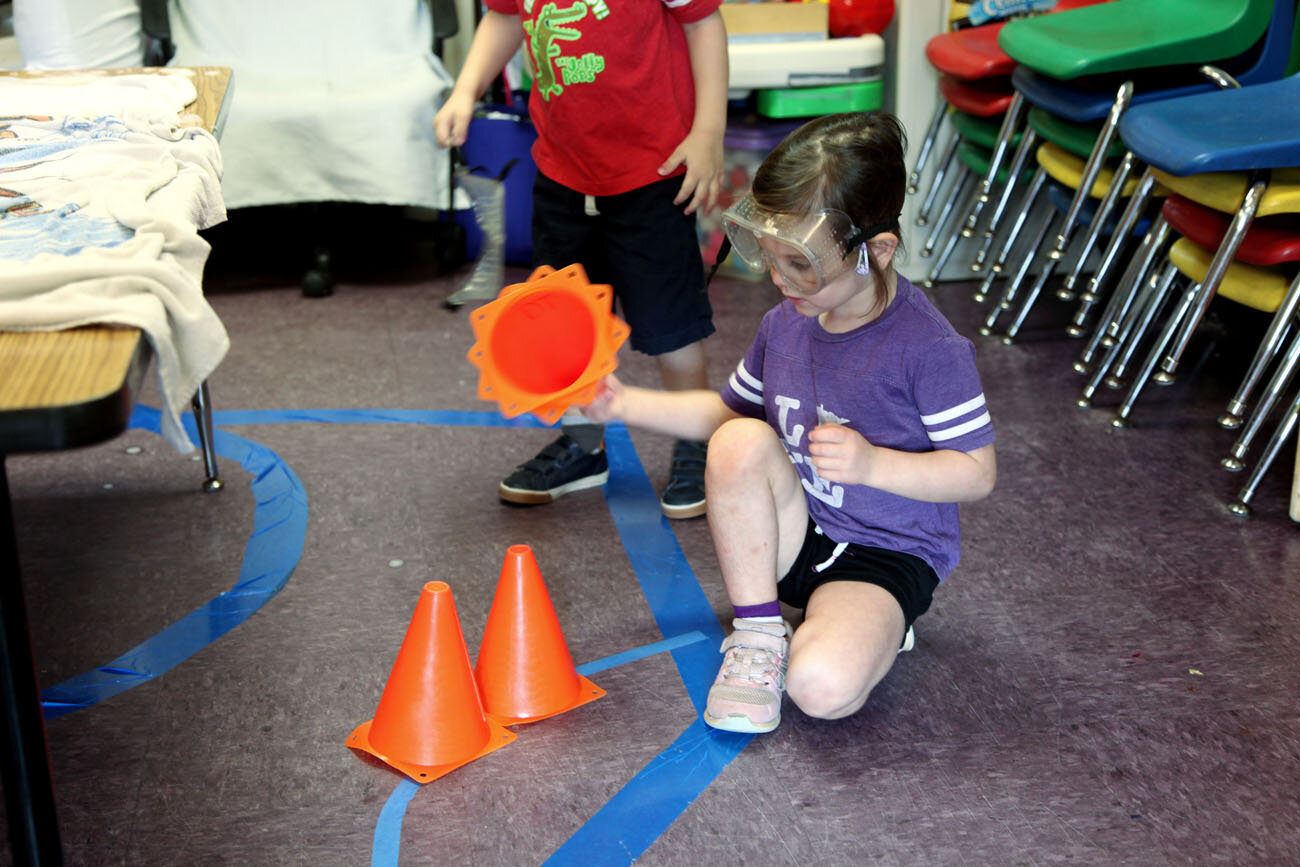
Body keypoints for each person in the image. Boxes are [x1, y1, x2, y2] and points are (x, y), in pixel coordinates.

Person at [582, 112, 998, 733]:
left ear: (876, 251)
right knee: (740, 439)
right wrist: (622, 405)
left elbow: (976, 474)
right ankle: (758, 634)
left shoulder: (929, 348)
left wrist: (874, 464)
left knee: (820, 689)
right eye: (769, 257)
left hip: (885, 553)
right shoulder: (786, 324)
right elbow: (726, 416)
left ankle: (879, 625)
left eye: (801, 263)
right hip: (798, 531)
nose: (779, 280)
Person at [433, 0, 727, 520]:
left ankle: (698, 440)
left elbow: (703, 23)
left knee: (671, 325)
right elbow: (504, 18)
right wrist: (465, 89)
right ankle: (583, 444)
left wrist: (708, 133)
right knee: (563, 324)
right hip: (563, 172)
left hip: (653, 173)